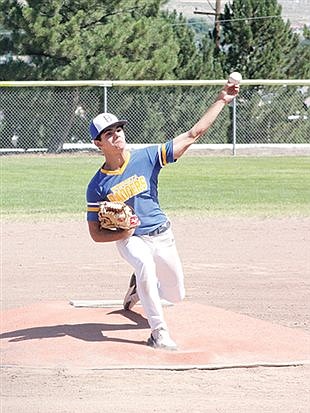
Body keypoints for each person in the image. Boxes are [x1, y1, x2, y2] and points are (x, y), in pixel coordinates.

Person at [86, 81, 239, 350]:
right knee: (144, 263)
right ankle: (159, 332)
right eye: (108, 133)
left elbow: (194, 134)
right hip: (131, 240)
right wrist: (124, 232)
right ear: (98, 143)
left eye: (118, 129)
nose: (116, 135)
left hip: (162, 235)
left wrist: (222, 100)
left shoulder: (147, 157)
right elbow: (95, 234)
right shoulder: (97, 185)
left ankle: (138, 290)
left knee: (176, 295)